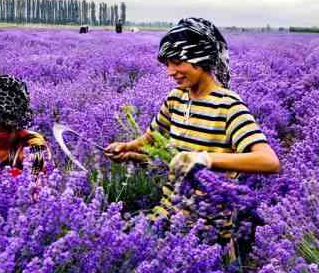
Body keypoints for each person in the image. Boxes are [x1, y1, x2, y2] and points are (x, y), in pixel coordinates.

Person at [104, 17, 280, 248]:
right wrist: (128, 149)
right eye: (167, 64)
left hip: (207, 224)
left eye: (177, 62)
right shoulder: (176, 98)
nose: (170, 71)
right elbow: (150, 138)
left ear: (200, 59)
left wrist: (204, 159)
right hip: (168, 211)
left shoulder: (228, 105)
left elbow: (269, 161)